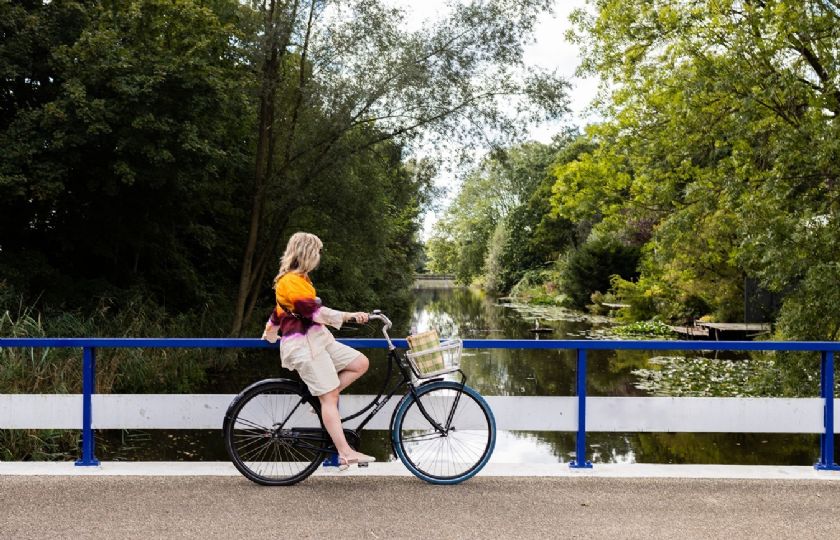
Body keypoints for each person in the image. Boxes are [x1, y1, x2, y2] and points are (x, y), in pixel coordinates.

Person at [261, 232, 375, 471]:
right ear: (307, 253)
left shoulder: (302, 279)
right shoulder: (290, 281)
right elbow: (313, 312)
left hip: (320, 340)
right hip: (304, 347)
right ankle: (345, 453)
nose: (320, 256)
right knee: (330, 397)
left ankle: (322, 401)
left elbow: (279, 311)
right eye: (318, 251)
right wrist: (349, 316)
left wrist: (270, 330)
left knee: (360, 363)